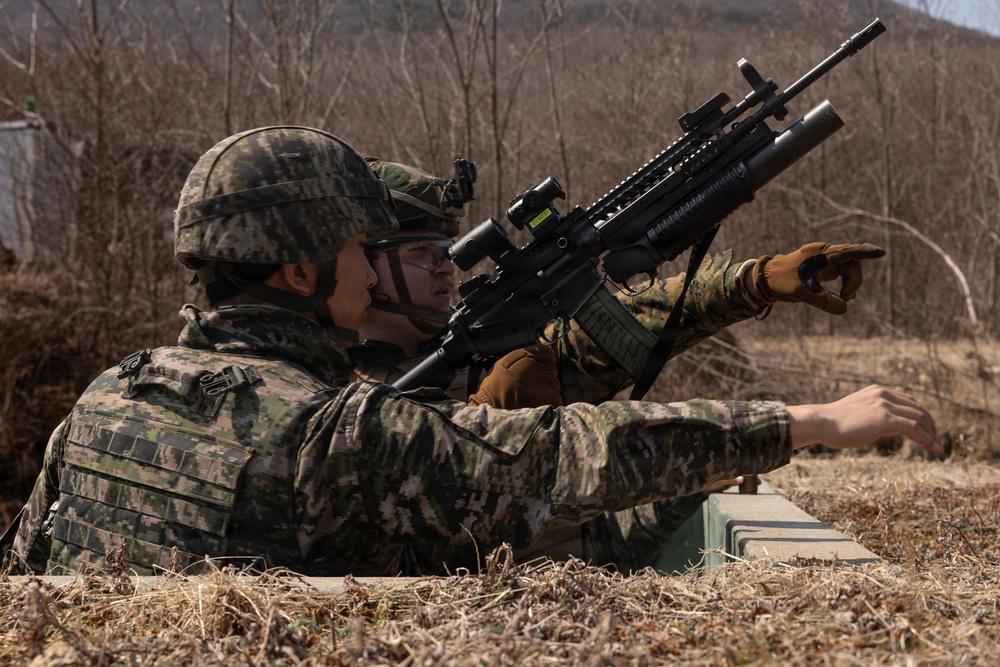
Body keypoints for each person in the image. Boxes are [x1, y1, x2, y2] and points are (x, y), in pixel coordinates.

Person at [5, 126, 939, 578]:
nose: (373, 277)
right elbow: (569, 454)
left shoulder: (102, 400)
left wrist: (749, 280)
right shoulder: (326, 437)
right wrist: (807, 420)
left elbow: (22, 568)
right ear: (296, 272)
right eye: (359, 256)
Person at [352, 159, 890, 572]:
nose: (448, 267)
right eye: (423, 253)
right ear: (363, 263)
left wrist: (754, 281)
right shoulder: (328, 388)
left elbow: (612, 337)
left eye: (449, 246)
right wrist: (487, 426)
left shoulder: (464, 341)